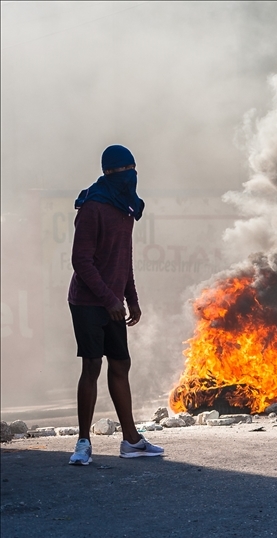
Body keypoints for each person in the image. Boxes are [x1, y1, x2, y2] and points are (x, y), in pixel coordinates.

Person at [68, 145, 163, 465]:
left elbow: (124, 259)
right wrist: (110, 299)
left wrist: (131, 298)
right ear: (109, 173)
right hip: (87, 300)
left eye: (133, 170)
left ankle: (131, 441)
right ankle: (83, 443)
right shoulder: (93, 207)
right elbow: (80, 260)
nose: (130, 177)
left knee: (120, 364)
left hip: (114, 302)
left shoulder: (127, 208)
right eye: (124, 171)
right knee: (92, 366)